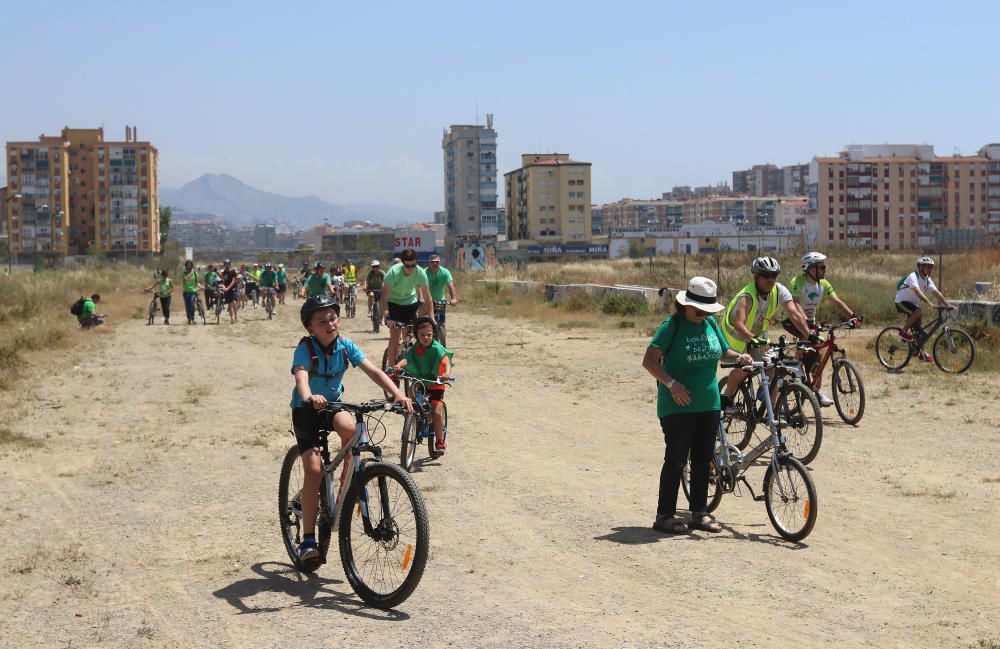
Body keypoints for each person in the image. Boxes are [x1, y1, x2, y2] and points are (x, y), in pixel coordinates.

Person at [290, 295, 413, 567]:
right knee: (312, 470)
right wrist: (310, 396)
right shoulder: (306, 348)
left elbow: (374, 372)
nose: (330, 324)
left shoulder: (345, 347)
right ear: (310, 328)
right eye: (321, 321)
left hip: (332, 405)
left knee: (353, 429)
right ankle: (308, 540)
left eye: (333, 317)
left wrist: (397, 396)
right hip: (307, 409)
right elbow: (301, 376)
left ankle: (351, 483)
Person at [642, 277, 753, 534]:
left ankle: (699, 513)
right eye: (699, 310)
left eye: (708, 311)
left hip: (709, 402)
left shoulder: (710, 323)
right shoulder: (672, 326)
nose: (703, 315)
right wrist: (671, 384)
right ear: (685, 306)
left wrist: (740, 356)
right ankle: (665, 515)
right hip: (677, 405)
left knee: (703, 460)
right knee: (677, 459)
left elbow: (724, 352)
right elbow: (649, 361)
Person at [719, 257, 811, 406]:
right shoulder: (746, 297)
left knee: (772, 368)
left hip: (757, 338)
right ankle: (728, 396)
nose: (770, 280)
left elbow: (794, 314)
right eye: (765, 276)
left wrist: (809, 334)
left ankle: (772, 412)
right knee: (745, 368)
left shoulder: (779, 290)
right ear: (756, 276)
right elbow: (739, 324)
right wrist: (752, 339)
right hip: (733, 340)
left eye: (773, 276)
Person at [785, 252, 862, 405]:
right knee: (806, 342)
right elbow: (795, 304)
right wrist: (805, 321)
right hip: (795, 320)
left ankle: (817, 391)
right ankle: (795, 366)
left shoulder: (824, 284)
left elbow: (837, 301)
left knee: (819, 355)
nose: (825, 269)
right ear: (812, 269)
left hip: (811, 322)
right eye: (822, 267)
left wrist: (853, 315)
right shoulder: (798, 281)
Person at [388, 316, 454, 453]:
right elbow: (407, 359)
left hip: (436, 385)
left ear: (433, 334)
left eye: (429, 335)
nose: (426, 338)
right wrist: (398, 365)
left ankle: (440, 440)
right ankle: (414, 412)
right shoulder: (416, 347)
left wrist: (446, 373)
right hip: (421, 382)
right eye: (422, 335)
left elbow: (446, 361)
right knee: (411, 390)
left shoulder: (437, 348)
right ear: (417, 336)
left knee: (436, 412)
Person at [895, 256, 956, 362]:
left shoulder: (927, 280)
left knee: (919, 331)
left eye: (931, 267)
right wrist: (929, 303)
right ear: (921, 267)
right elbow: (917, 291)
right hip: (901, 302)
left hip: (913, 305)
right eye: (928, 267)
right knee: (919, 311)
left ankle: (921, 354)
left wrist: (947, 304)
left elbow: (937, 293)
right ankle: (903, 332)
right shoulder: (913, 276)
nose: (930, 270)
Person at [379, 248, 432, 370]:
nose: (410, 268)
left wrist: (432, 317)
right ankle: (391, 368)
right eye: (407, 266)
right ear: (403, 263)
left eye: (413, 265)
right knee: (395, 334)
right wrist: (387, 316)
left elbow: (428, 298)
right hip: (394, 304)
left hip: (410, 304)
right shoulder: (394, 271)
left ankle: (406, 358)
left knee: (411, 334)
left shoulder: (420, 272)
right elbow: (384, 296)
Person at [424, 253, 457, 340]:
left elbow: (451, 285)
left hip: (439, 301)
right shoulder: (424, 273)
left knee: (441, 323)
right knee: (423, 322)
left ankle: (442, 340)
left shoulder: (445, 272)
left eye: (437, 262)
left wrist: (453, 298)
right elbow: (419, 286)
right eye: (432, 262)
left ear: (439, 262)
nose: (434, 264)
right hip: (426, 301)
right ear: (429, 263)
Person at [181, 260, 205, 325]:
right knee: (187, 306)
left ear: (192, 266)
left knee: (192, 304)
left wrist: (202, 287)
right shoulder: (184, 273)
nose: (188, 266)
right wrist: (191, 272)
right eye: (187, 265)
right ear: (185, 266)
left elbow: (197, 283)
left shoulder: (195, 274)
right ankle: (189, 318)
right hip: (186, 292)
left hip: (192, 292)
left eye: (190, 265)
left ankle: (192, 318)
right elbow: (185, 279)